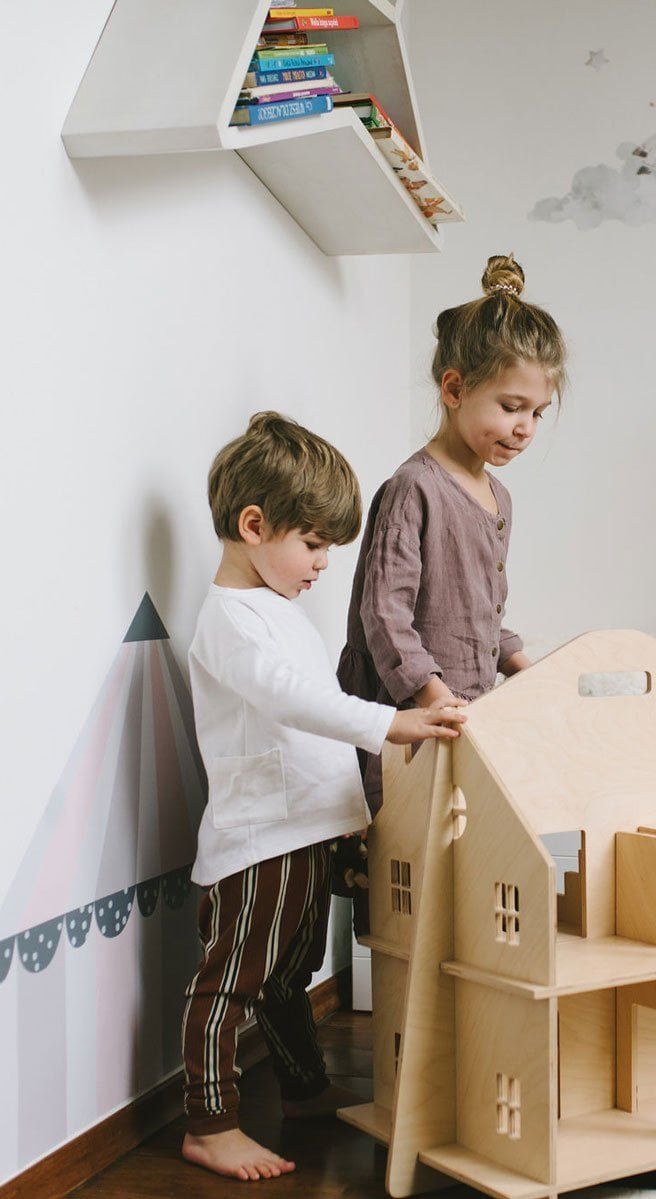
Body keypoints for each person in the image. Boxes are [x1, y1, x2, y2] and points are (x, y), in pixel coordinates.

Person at [180, 412, 466, 1181]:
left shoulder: (278, 612)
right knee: (233, 979)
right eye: (313, 543)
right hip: (261, 839)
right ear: (253, 524)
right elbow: (294, 702)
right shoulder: (232, 620)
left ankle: (304, 1088)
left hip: (307, 830)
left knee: (288, 976)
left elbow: (318, 703)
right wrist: (393, 722)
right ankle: (210, 1121)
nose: (322, 563)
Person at [339, 254, 567, 813]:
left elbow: (479, 611)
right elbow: (384, 615)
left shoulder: (498, 498)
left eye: (538, 412)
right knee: (403, 857)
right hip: (409, 717)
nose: (525, 428)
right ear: (454, 387)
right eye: (512, 407)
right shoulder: (414, 488)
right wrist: (433, 697)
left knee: (465, 848)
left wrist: (522, 666)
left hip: (462, 714)